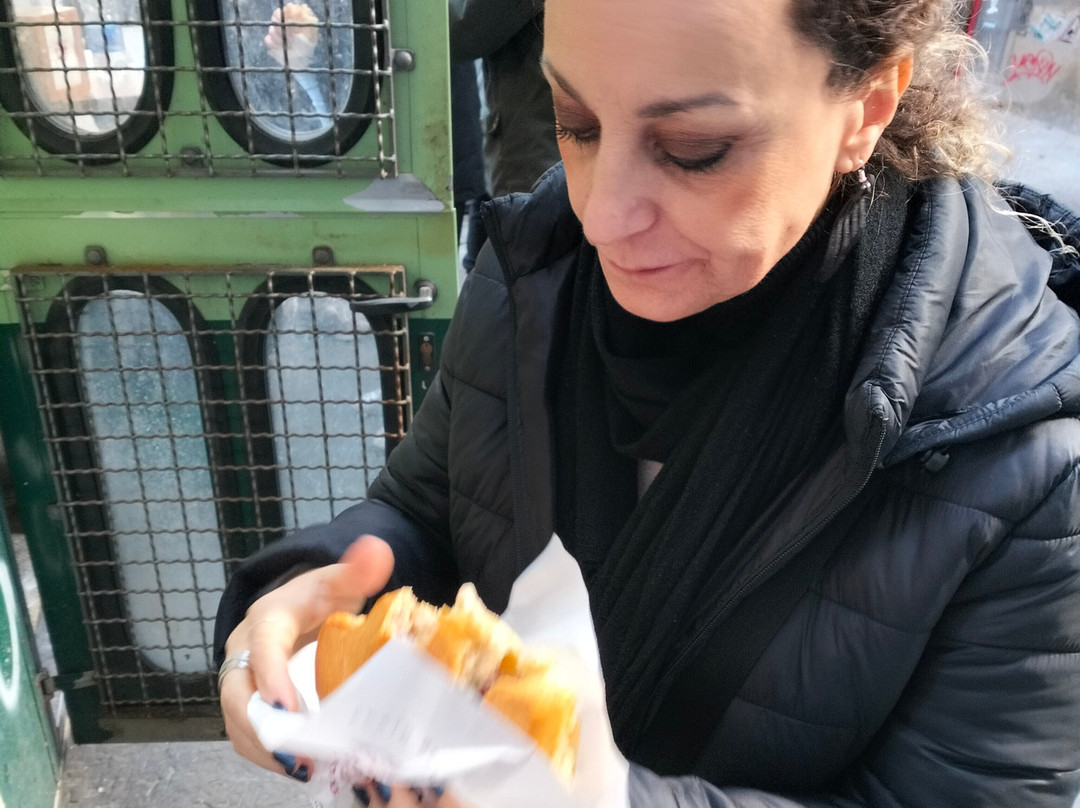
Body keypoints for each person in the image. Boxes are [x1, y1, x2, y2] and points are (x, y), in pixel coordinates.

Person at [216, 0, 1080, 805]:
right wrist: (322, 597)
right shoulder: (536, 269)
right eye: (575, 122)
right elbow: (430, 510)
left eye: (694, 148)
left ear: (868, 107)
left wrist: (601, 795)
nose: (601, 215)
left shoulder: (1020, 458)